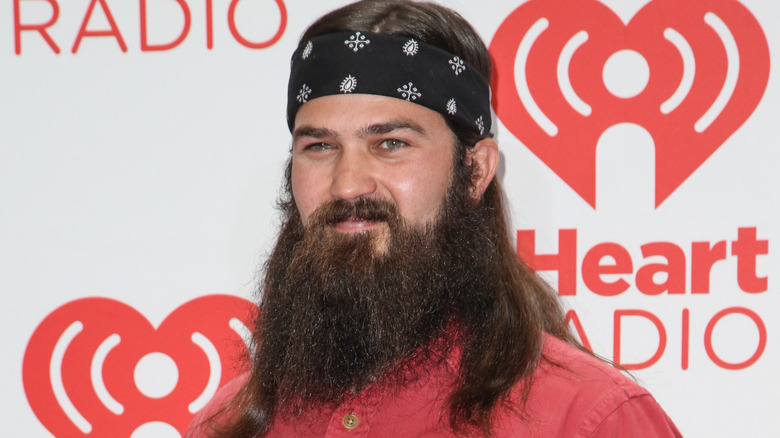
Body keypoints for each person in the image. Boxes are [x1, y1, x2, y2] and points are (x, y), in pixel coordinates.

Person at [186, 0, 682, 436]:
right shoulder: (229, 421)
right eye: (319, 147)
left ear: (475, 171)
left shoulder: (587, 418)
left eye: (391, 144)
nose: (347, 183)